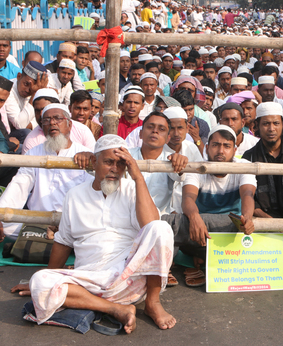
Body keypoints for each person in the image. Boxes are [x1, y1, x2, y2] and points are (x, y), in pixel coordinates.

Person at [15, 135, 177, 332]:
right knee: (40, 281)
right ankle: (115, 309)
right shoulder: (74, 195)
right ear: (94, 161)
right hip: (88, 283)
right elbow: (63, 241)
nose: (115, 169)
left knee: (161, 228)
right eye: (109, 162)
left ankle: (153, 302)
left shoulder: (133, 189)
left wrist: (138, 177)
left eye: (121, 164)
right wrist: (50, 274)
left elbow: (151, 224)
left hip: (130, 281)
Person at [164, 125, 256, 286]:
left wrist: (247, 219)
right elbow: (188, 198)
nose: (220, 151)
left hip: (230, 227)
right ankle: (200, 256)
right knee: (171, 224)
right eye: (215, 145)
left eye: (226, 146)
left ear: (234, 150)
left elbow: (247, 194)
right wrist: (194, 217)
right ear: (207, 147)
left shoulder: (243, 165)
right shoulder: (198, 167)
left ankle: (197, 258)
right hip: (199, 230)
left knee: (174, 225)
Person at [0, 103, 94, 241]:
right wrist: (1, 214)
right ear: (42, 128)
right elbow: (19, 185)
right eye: (46, 120)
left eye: (58, 118)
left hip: (72, 222)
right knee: (6, 225)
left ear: (69, 125)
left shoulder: (84, 154)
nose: (52, 123)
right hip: (38, 221)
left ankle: (49, 237)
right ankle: (50, 236)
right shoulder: (35, 152)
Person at [5, 61, 48, 132]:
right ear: (19, 76)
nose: (28, 90)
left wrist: (29, 125)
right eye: (26, 84)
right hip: (8, 134)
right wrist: (35, 93)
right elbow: (20, 125)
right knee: (26, 132)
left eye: (32, 88)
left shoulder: (39, 90)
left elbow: (44, 119)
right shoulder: (8, 90)